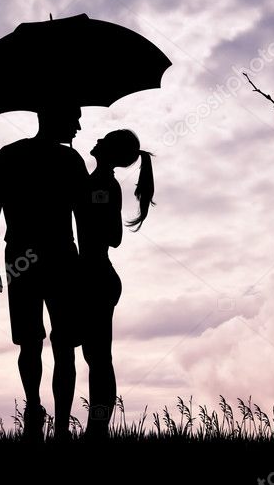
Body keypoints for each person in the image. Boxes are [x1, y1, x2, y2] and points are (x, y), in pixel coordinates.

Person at [0, 103, 88, 442]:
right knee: (54, 342)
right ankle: (45, 415)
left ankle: (37, 411)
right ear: (54, 119)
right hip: (55, 256)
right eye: (74, 121)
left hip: (28, 257)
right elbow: (85, 215)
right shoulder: (69, 160)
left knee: (36, 342)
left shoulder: (11, 155)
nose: (78, 129)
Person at [77, 128, 155, 440]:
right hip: (93, 277)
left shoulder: (104, 185)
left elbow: (114, 237)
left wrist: (87, 207)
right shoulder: (93, 181)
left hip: (98, 277)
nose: (96, 140)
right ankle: (97, 428)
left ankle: (98, 429)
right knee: (94, 356)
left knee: (98, 359)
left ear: (111, 152)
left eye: (104, 140)